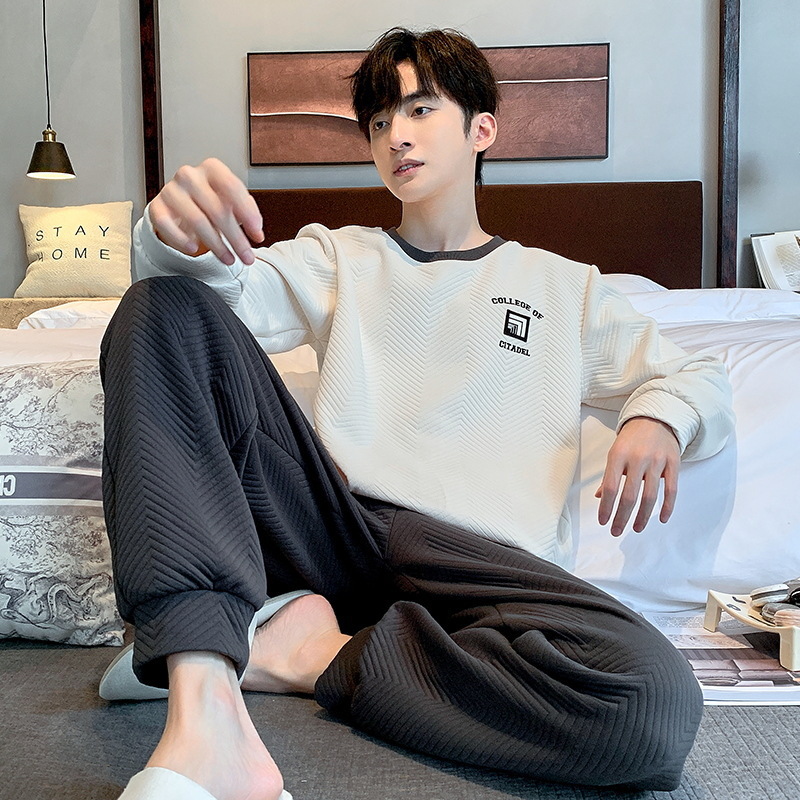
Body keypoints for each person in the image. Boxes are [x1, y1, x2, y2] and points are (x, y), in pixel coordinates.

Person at [100, 27, 734, 800]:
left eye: (420, 109)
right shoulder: (338, 257)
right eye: (378, 122)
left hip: (483, 567)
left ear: (482, 129)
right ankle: (202, 702)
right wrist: (172, 238)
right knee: (160, 305)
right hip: (338, 529)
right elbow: (216, 300)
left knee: (650, 704)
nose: (395, 135)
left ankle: (301, 651)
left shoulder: (566, 288)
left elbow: (695, 373)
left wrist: (657, 416)